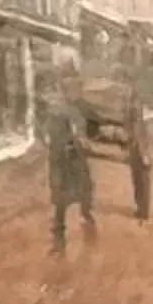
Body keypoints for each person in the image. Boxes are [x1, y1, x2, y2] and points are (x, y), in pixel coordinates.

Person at [42, 73, 96, 254]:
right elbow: (79, 133)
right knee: (82, 186)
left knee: (60, 197)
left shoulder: (53, 110)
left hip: (58, 157)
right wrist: (82, 142)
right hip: (69, 157)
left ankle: (59, 239)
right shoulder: (73, 111)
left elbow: (45, 135)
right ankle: (85, 214)